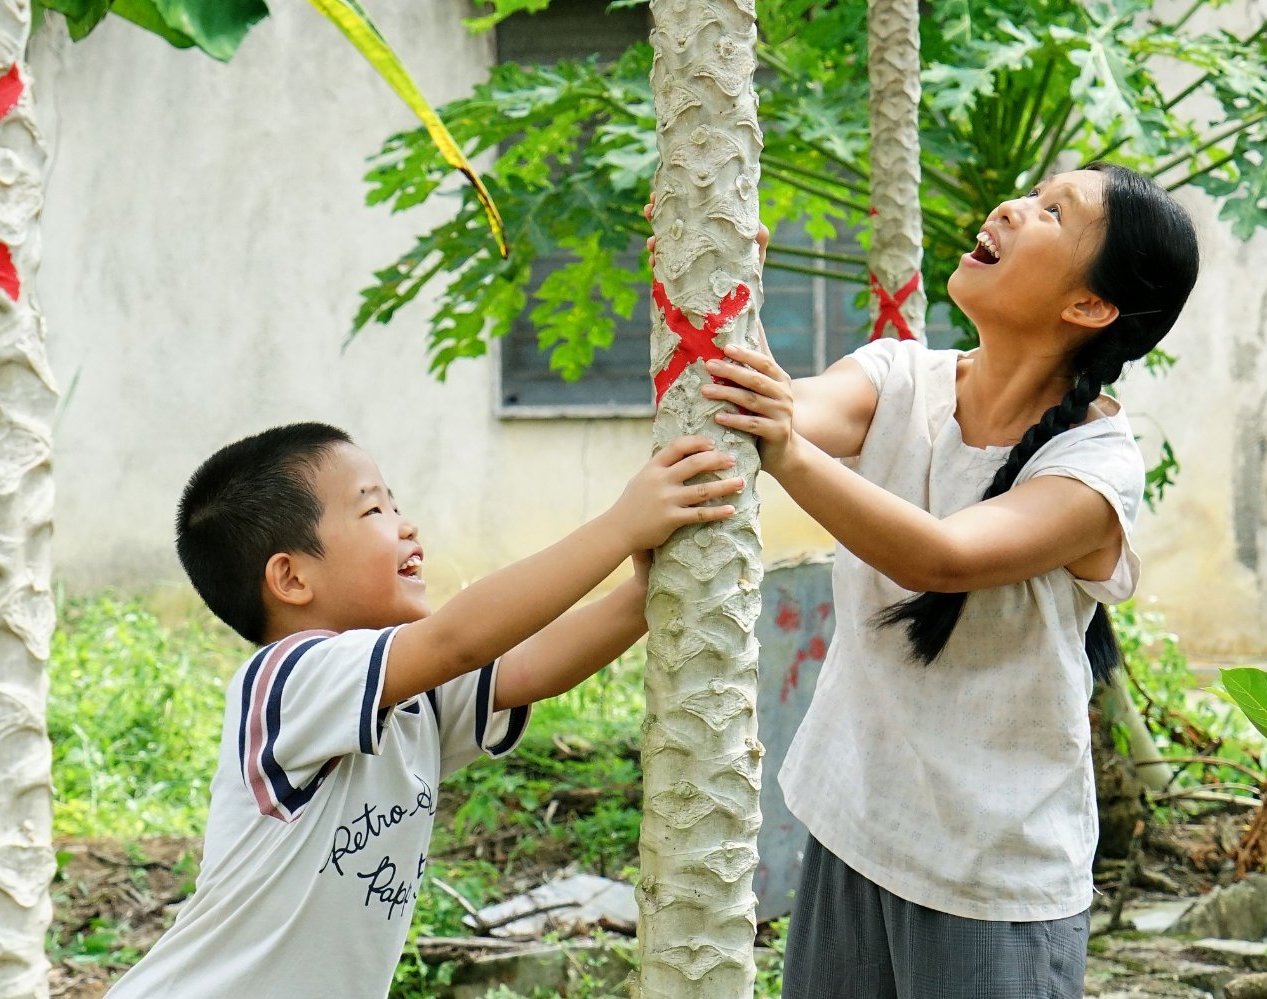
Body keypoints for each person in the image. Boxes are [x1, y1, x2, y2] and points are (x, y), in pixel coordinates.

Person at [704, 164, 1199, 997]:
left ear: (1089, 306)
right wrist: (719, 282)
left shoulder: (1095, 467)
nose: (1011, 206)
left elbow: (942, 557)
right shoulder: (899, 378)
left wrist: (786, 449)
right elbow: (773, 407)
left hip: (992, 878)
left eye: (1051, 212)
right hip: (854, 827)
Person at [105, 422, 744, 997]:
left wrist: (647, 592)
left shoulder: (407, 697)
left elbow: (527, 668)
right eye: (373, 509)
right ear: (292, 579)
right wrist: (619, 526)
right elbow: (458, 639)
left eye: (397, 504)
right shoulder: (290, 677)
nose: (406, 524)